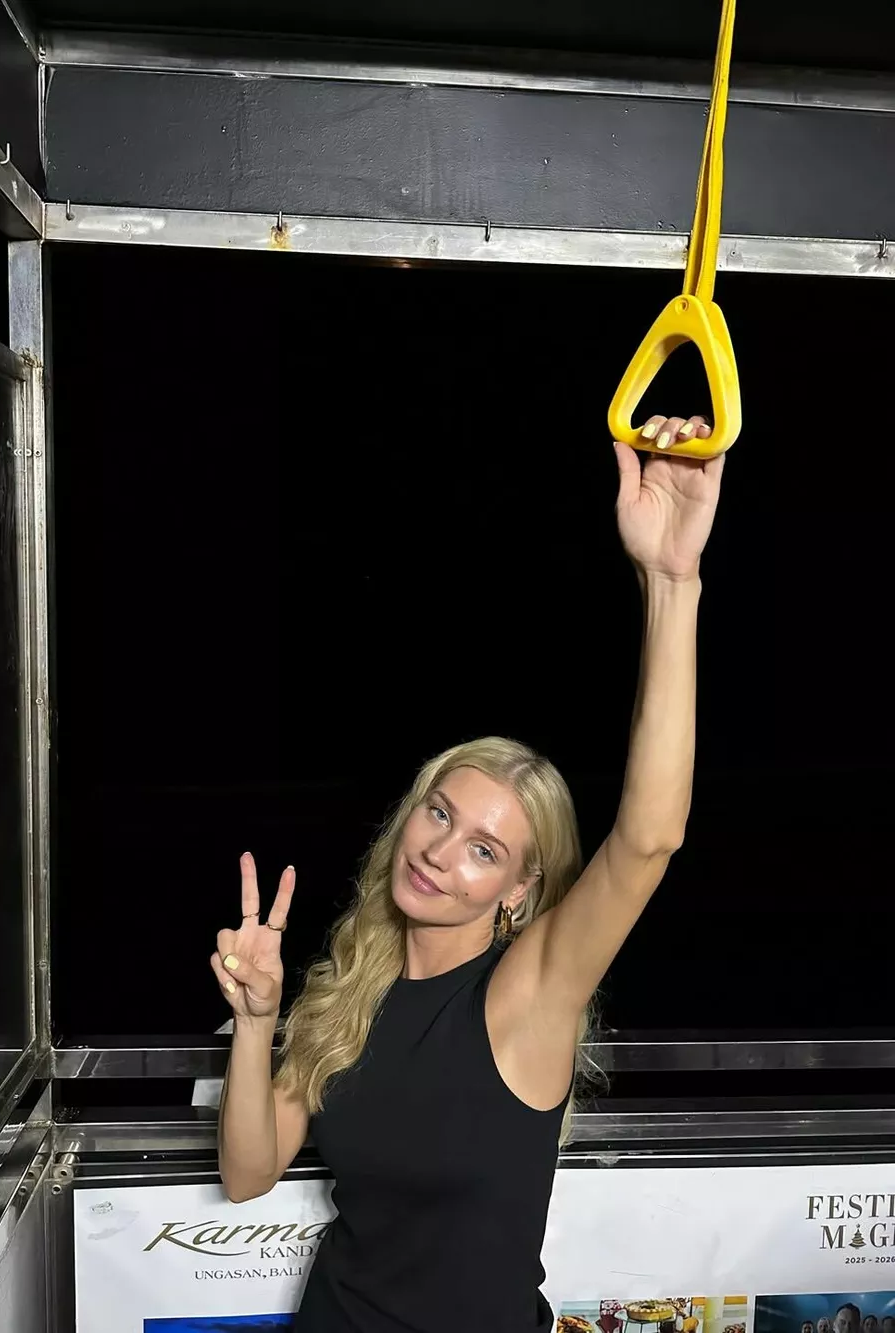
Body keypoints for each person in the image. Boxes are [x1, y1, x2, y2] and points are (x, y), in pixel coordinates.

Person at [211, 414, 724, 1333]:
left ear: (518, 889)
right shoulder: (349, 989)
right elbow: (249, 1174)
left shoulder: (527, 995)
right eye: (440, 812)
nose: (440, 852)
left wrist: (671, 581)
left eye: (485, 850)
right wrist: (257, 1022)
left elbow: (650, 836)